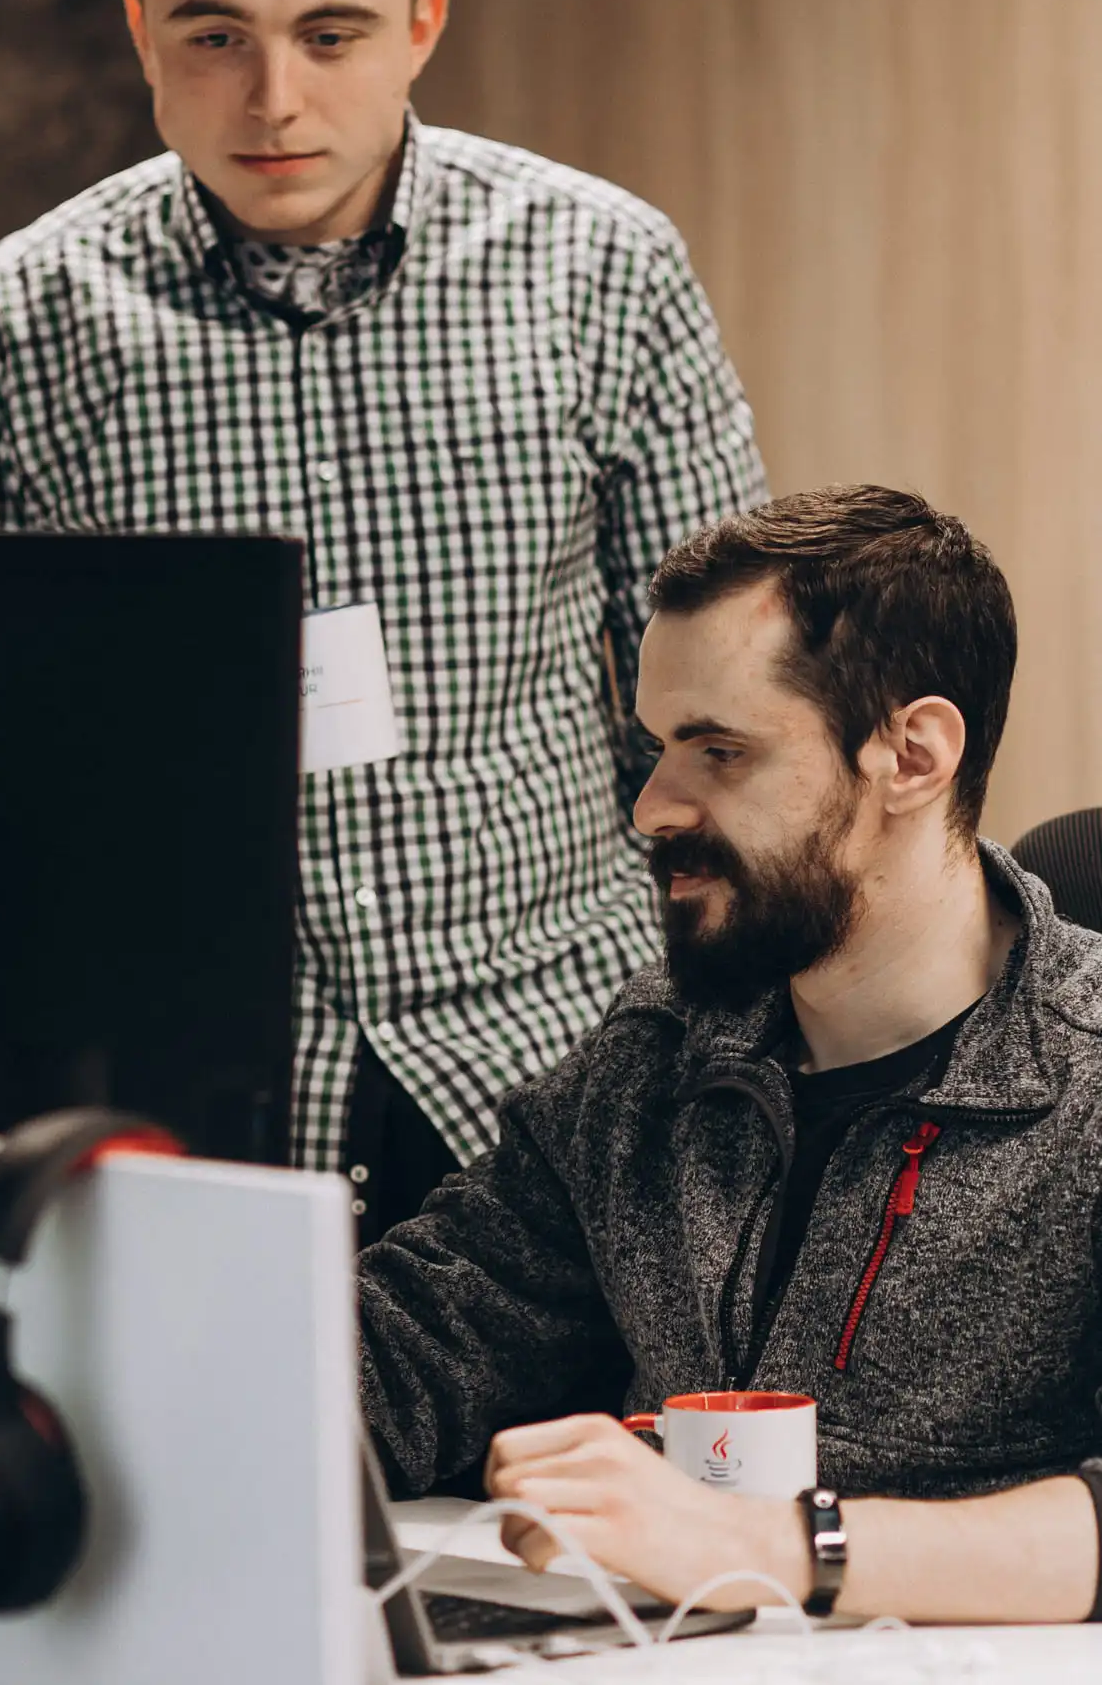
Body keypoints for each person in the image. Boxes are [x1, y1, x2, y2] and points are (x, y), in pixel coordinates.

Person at [0, 0, 765, 1237]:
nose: (273, 99)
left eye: (330, 34)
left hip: (565, 1060)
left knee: (565, 1463)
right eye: (215, 34)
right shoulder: (11, 333)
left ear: (422, 26)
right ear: (140, 33)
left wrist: (738, 1038)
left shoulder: (602, 269)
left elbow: (731, 716)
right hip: (177, 1108)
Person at [359, 485, 1102, 1623]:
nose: (653, 807)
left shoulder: (1084, 1080)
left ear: (911, 754)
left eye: (720, 750)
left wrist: (771, 1543)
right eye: (658, 749)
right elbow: (410, 1350)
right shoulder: (658, 1058)